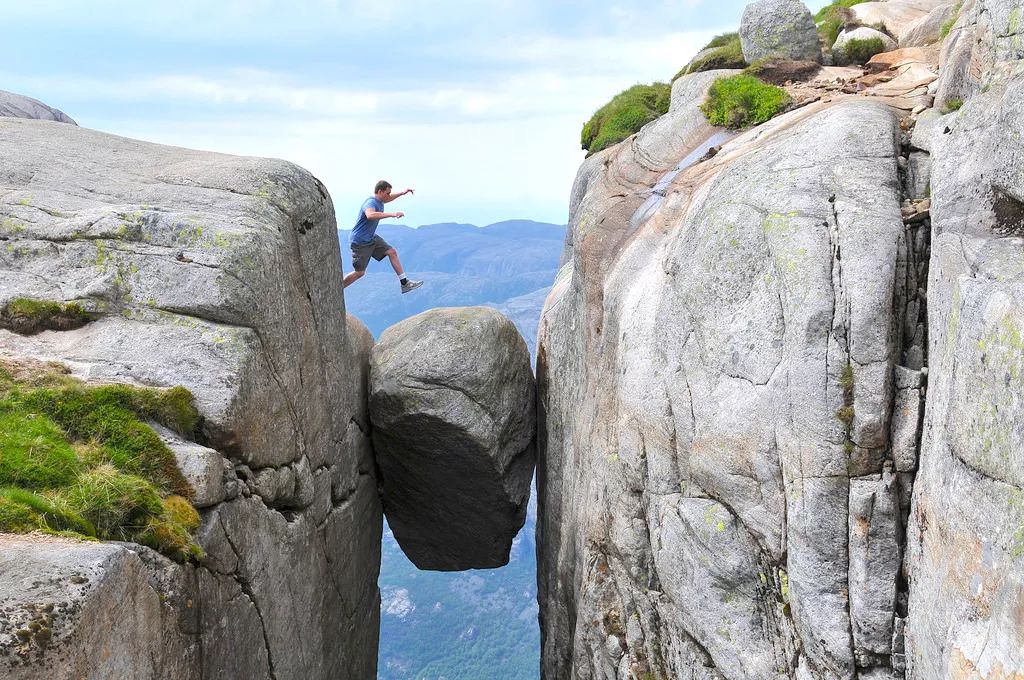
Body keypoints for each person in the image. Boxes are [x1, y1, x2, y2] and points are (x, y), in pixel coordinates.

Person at [343, 180, 423, 293]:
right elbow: (370, 215)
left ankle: (405, 283)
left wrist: (402, 193)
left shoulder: (380, 201)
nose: (389, 195)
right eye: (387, 193)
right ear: (380, 191)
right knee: (359, 273)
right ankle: (338, 288)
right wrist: (392, 214)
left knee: (392, 252)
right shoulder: (370, 202)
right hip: (360, 241)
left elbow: (388, 199)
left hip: (370, 237)